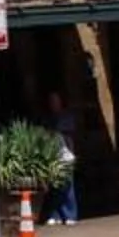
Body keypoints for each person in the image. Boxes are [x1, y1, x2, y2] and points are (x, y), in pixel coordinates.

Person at [45, 91, 81, 226]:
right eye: (51, 101)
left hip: (66, 155)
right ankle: (56, 214)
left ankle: (70, 214)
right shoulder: (48, 118)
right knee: (55, 187)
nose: (53, 104)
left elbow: (67, 132)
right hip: (53, 155)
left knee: (68, 186)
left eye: (55, 100)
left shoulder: (67, 117)